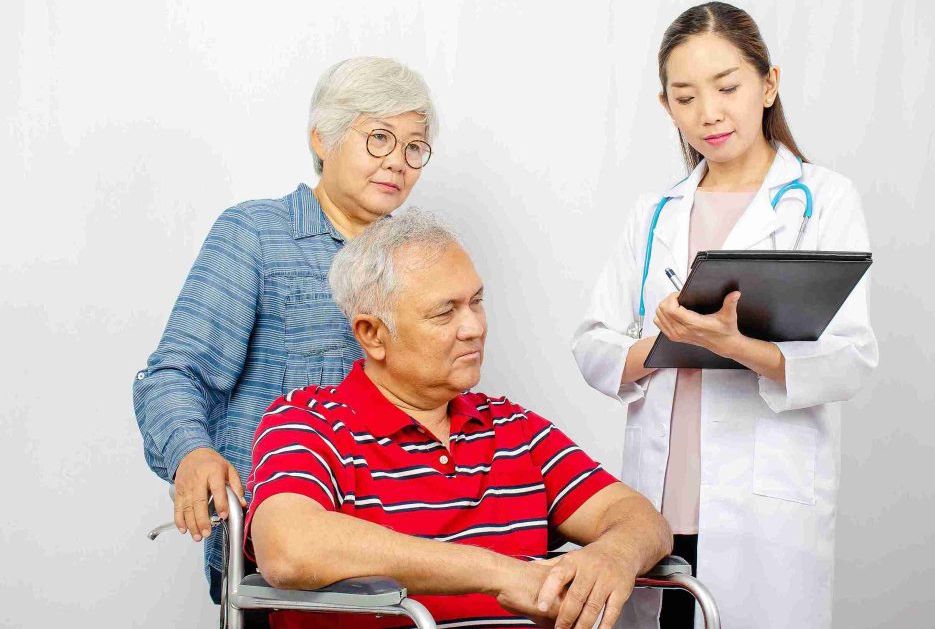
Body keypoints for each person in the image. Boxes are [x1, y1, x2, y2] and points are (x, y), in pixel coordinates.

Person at [572, 2, 879, 629]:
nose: (708, 113)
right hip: (659, 505)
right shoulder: (655, 212)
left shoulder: (821, 202)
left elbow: (849, 360)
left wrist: (736, 346)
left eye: (728, 87)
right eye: (684, 98)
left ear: (769, 84)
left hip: (763, 511)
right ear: (666, 107)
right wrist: (668, 340)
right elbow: (593, 344)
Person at [246, 208, 673, 628]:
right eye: (444, 312)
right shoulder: (306, 422)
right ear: (372, 334)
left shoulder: (513, 429)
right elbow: (287, 548)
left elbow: (637, 518)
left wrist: (613, 554)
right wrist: (499, 574)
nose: (473, 327)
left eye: (476, 302)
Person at [132, 57, 437, 603]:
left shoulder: (421, 261)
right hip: (284, 551)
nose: (398, 162)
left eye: (414, 147)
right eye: (380, 138)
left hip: (410, 539)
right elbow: (173, 375)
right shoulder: (254, 235)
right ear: (323, 138)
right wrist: (190, 452)